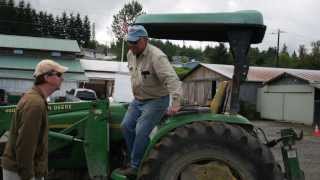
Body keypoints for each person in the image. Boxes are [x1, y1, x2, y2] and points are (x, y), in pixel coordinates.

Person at [119, 25, 183, 176]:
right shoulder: (130, 54)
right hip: (138, 100)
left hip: (156, 100)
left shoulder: (157, 57)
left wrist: (176, 102)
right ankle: (137, 157)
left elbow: (172, 79)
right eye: (129, 42)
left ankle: (136, 166)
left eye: (135, 42)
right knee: (125, 126)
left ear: (145, 40)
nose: (132, 46)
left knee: (141, 130)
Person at [1, 59, 68, 180]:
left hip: (22, 170)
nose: (62, 79)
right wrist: (28, 176)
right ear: (47, 77)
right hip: (20, 173)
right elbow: (25, 145)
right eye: (59, 75)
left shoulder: (36, 99)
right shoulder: (35, 104)